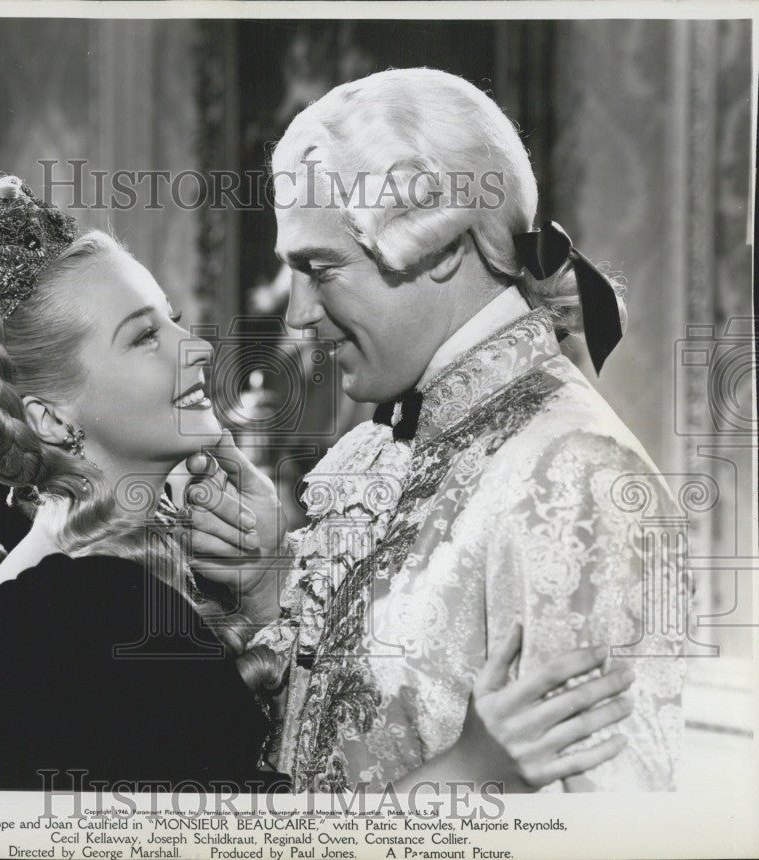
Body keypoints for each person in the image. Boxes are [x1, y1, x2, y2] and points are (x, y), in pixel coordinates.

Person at [0, 173, 634, 792]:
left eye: (171, 320)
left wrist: (268, 582)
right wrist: (475, 768)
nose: (195, 347)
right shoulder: (98, 612)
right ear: (51, 419)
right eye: (144, 336)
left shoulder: (29, 574)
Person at [185, 68, 686, 793]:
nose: (297, 314)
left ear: (443, 249)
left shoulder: (574, 473)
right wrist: (268, 584)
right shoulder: (378, 446)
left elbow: (612, 825)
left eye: (320, 269)